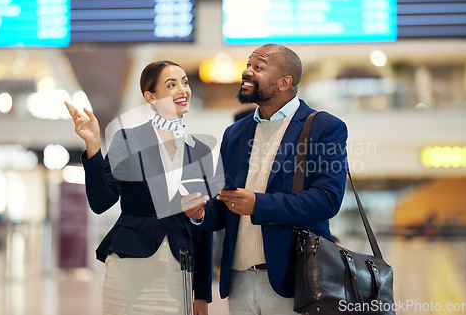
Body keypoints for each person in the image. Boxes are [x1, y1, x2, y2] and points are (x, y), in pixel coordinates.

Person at [183, 44, 348, 315]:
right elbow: (226, 203)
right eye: (248, 65)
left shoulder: (324, 127)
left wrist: (259, 205)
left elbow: (327, 200)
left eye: (258, 67)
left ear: (285, 82)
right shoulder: (235, 133)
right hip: (238, 282)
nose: (247, 71)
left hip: (293, 280)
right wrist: (201, 213)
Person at [65, 60, 213, 315]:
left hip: (179, 271)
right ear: (151, 96)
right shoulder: (128, 140)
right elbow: (101, 202)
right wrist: (93, 146)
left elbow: (204, 225)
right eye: (171, 84)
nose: (182, 89)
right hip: (131, 266)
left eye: (185, 82)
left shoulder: (199, 151)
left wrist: (203, 294)